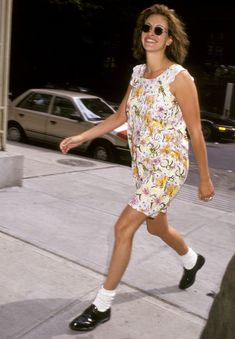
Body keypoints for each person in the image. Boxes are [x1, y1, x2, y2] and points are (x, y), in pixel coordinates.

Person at [60, 3, 215, 332]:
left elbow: (196, 131)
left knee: (123, 228)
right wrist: (82, 136)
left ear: (169, 38)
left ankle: (102, 306)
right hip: (145, 166)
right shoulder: (136, 75)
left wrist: (205, 178)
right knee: (156, 227)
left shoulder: (180, 78)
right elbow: (119, 117)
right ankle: (192, 259)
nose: (151, 34)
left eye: (159, 30)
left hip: (169, 165)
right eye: (147, 27)